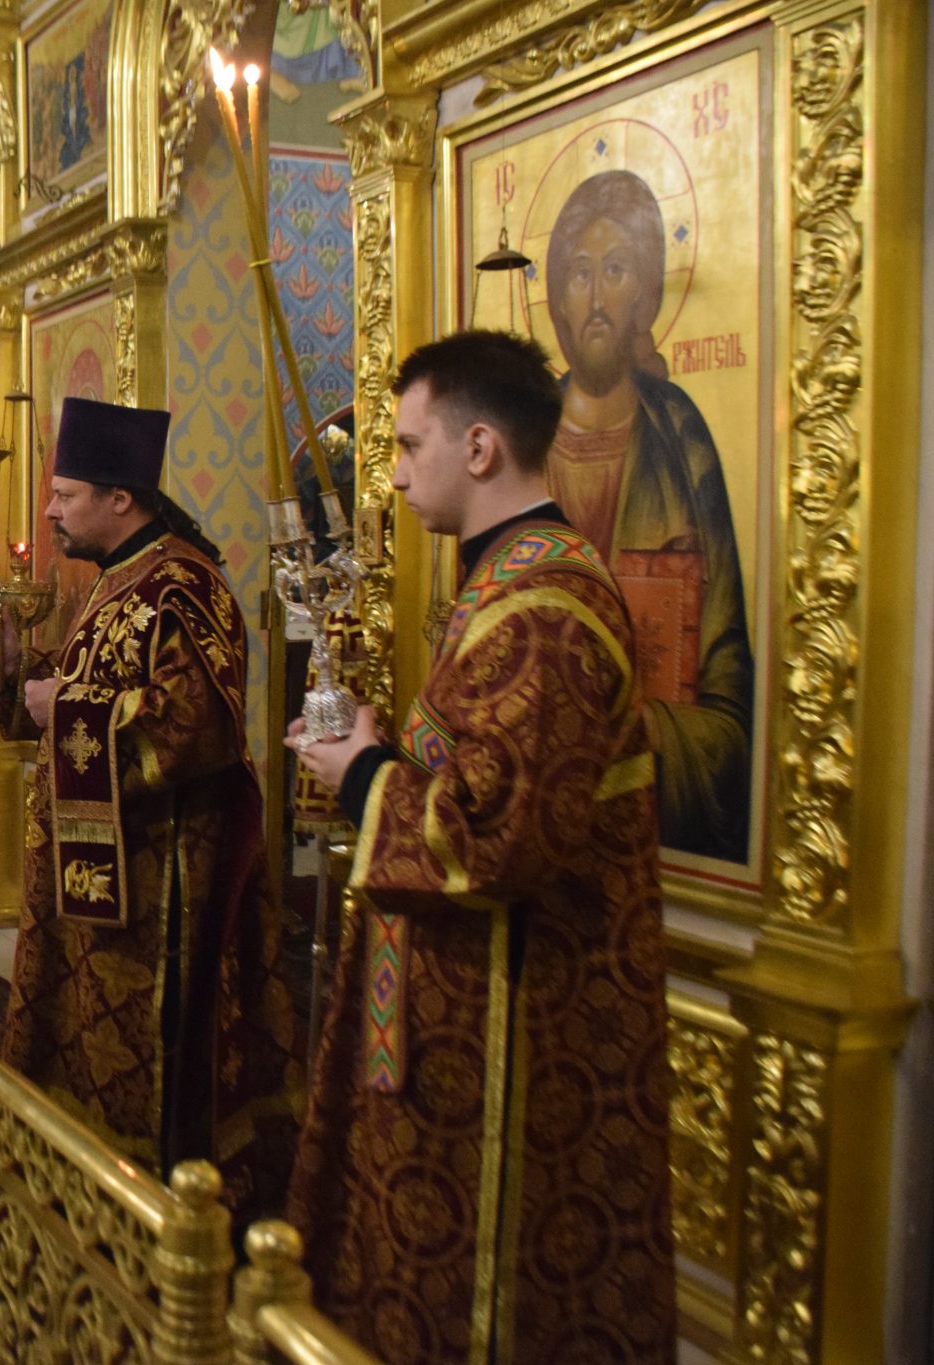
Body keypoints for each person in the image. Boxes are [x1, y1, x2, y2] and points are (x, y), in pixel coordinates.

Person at [288, 330, 673, 1365]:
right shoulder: (505, 586)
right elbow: (483, 772)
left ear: (479, 447)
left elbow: (495, 837)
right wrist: (377, 750)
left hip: (515, 1038)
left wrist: (360, 772)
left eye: (410, 446)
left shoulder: (544, 610)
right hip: (458, 1015)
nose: (395, 475)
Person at [0, 396, 298, 1226]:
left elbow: (197, 725)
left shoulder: (184, 585)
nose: (51, 511)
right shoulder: (118, 581)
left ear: (120, 498)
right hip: (97, 872)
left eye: (65, 495)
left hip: (158, 889)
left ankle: (162, 1211)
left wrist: (66, 703)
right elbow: (84, 686)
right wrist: (18, 671)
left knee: (149, 1061)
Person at [545, 169, 753, 861]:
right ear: (557, 296)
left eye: (616, 270)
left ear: (646, 292)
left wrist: (651, 727)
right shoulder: (526, 435)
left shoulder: (681, 438)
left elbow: (728, 701)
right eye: (580, 273)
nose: (596, 298)